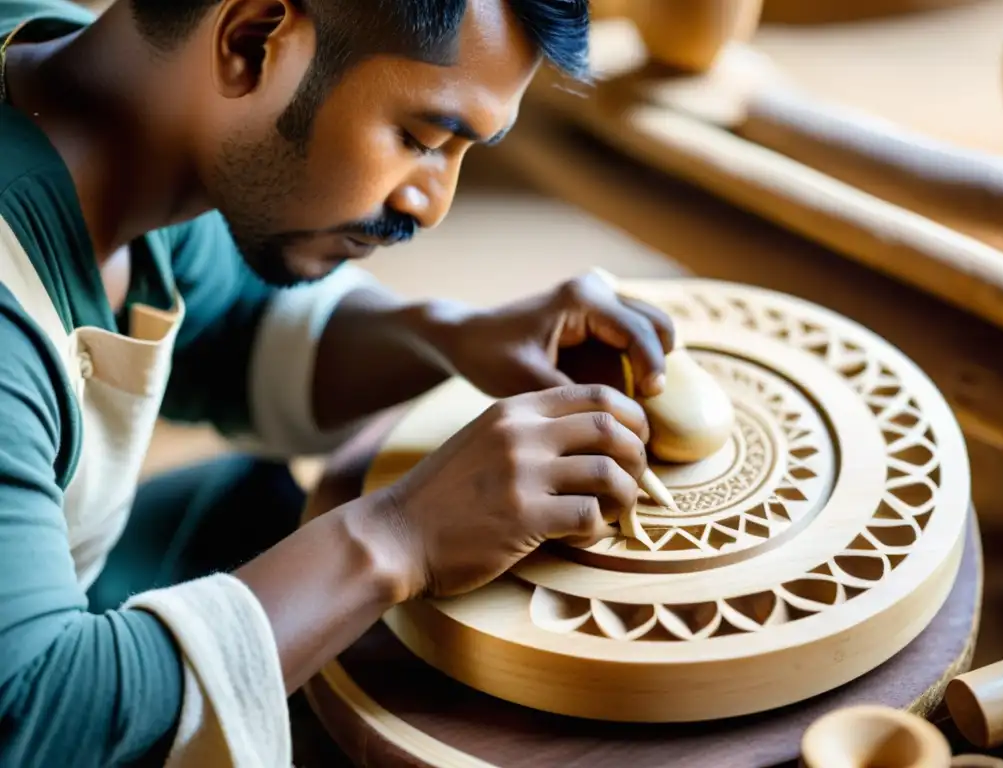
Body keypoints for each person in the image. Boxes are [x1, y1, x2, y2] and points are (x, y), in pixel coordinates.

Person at [0, 0, 677, 764]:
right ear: (252, 41)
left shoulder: (68, 68)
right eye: (420, 138)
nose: (432, 202)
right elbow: (34, 716)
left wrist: (451, 335)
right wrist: (398, 536)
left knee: (264, 507)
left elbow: (227, 333)